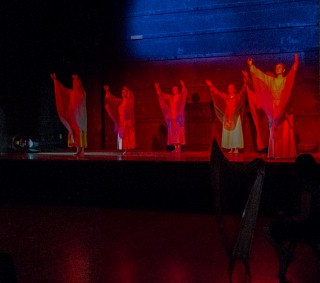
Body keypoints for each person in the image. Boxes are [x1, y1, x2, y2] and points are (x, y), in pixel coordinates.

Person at [264, 153, 320, 283]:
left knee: (268, 229)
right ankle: (285, 256)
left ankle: (283, 254)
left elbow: (304, 216)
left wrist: (291, 219)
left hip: (308, 229)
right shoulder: (317, 185)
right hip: (315, 226)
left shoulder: (307, 188)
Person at [247, 54, 299, 158]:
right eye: (276, 67)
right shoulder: (271, 81)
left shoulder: (286, 80)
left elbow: (292, 73)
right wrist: (251, 66)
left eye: (280, 67)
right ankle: (275, 152)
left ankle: (286, 153)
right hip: (274, 108)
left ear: (284, 70)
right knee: (275, 130)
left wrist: (296, 63)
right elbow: (261, 76)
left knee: (284, 131)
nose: (277, 68)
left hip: (283, 107)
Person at [205, 77, 246, 154]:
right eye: (229, 88)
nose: (230, 89)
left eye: (231, 88)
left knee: (235, 133)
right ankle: (231, 148)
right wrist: (211, 86)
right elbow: (218, 93)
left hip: (235, 118)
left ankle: (236, 148)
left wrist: (245, 82)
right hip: (227, 117)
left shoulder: (237, 96)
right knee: (229, 133)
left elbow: (243, 91)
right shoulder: (225, 96)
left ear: (234, 89)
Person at [51, 73, 87, 156]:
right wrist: (55, 81)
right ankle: (78, 149)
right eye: (73, 82)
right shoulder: (71, 92)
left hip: (80, 117)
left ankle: (82, 150)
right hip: (73, 116)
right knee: (74, 132)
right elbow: (62, 90)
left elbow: (81, 89)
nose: (74, 84)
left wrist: (77, 79)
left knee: (79, 131)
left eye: (76, 82)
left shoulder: (82, 93)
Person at [154, 80, 187, 153]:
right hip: (172, 117)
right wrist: (158, 89)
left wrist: (183, 86)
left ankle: (179, 147)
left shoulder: (179, 96)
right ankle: (176, 147)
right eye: (173, 89)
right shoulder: (170, 97)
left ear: (177, 90)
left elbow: (183, 94)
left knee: (179, 132)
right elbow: (162, 95)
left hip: (178, 117)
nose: (174, 90)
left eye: (175, 89)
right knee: (174, 132)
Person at [104, 84, 136, 154]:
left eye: (124, 92)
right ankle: (125, 149)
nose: (123, 93)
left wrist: (128, 89)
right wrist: (107, 91)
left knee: (127, 135)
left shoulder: (129, 100)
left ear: (127, 93)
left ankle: (128, 149)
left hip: (127, 121)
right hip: (121, 121)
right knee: (123, 135)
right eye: (122, 92)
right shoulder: (120, 101)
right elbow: (112, 99)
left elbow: (131, 96)